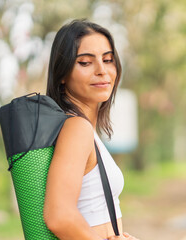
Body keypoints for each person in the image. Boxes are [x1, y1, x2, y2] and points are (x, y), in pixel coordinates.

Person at [43, 19, 139, 240]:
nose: (102, 70)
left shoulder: (82, 128)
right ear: (62, 74)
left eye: (107, 60)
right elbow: (59, 216)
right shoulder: (76, 127)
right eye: (85, 62)